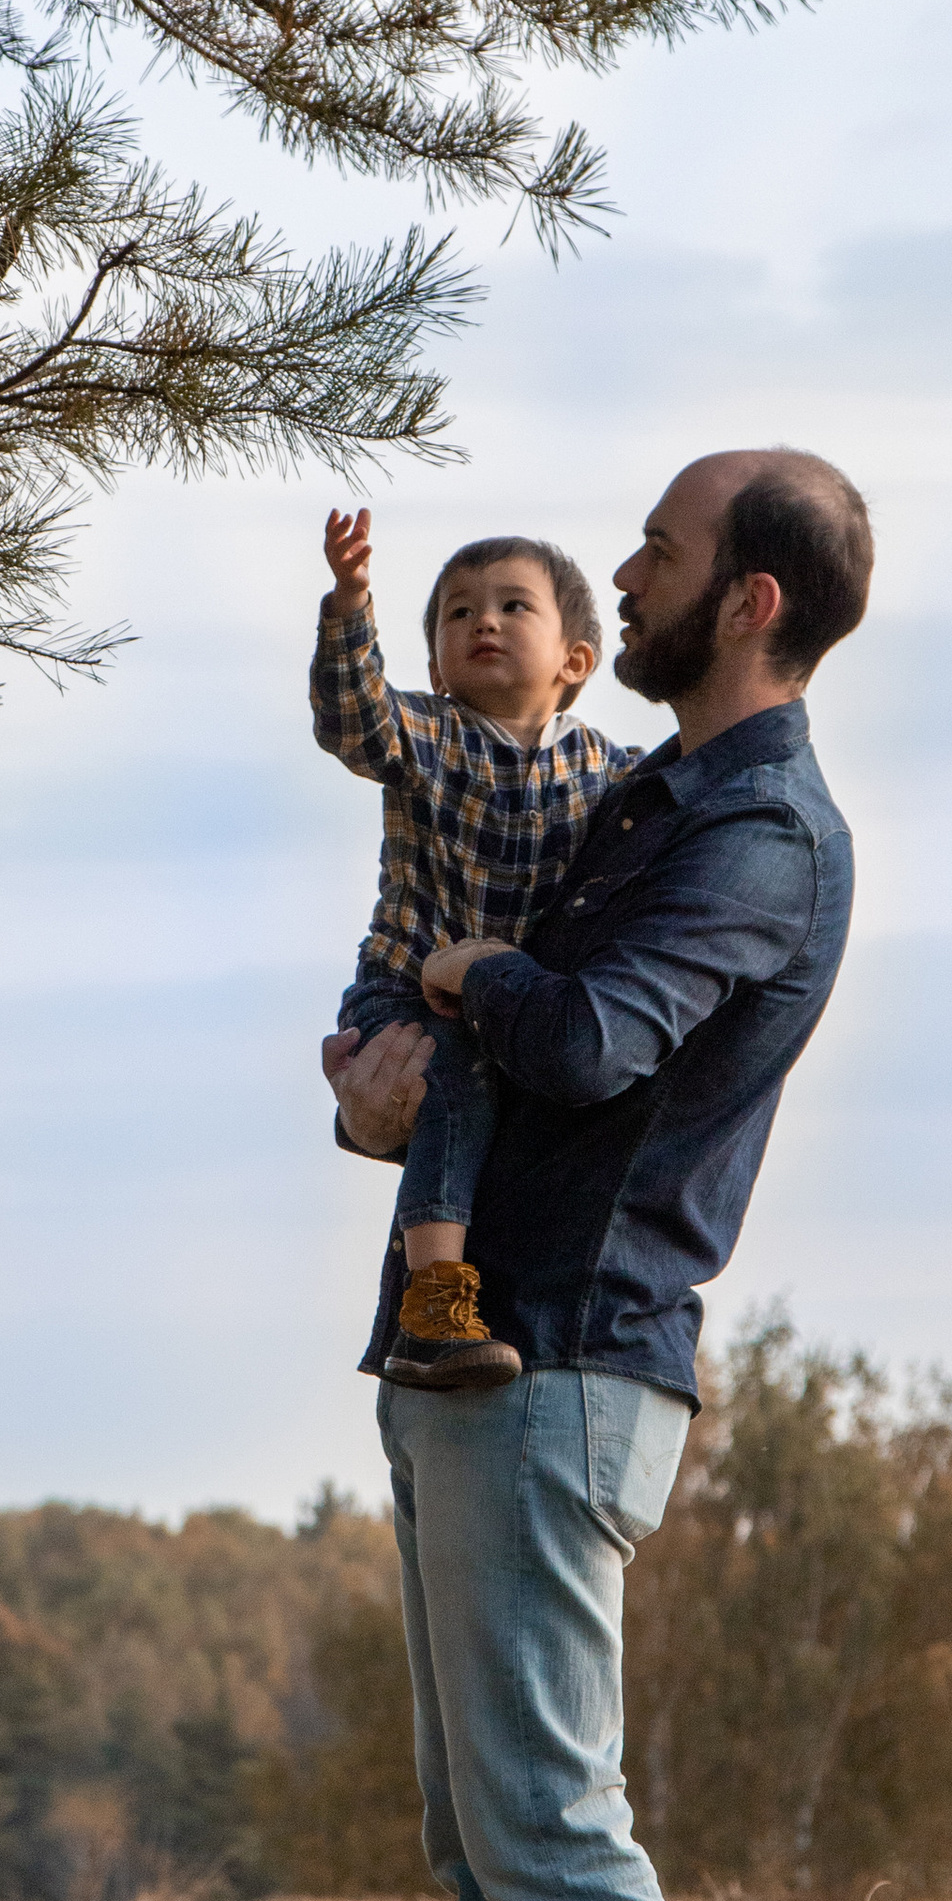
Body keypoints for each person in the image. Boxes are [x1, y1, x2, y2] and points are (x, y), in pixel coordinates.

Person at [316, 445, 870, 1901]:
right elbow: (464, 1030)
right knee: (487, 1841)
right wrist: (376, 1065)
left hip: (564, 1360)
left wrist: (460, 977)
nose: (622, 575)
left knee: (552, 1827)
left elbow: (590, 1032)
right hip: (475, 1351)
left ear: (752, 603)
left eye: (658, 552)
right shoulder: (644, 802)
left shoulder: (756, 838)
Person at [312, 509, 642, 1387]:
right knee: (451, 1077)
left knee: (495, 1084)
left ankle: (472, 1286)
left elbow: (674, 808)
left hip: (511, 1001)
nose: (481, 622)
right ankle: (435, 1300)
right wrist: (350, 603)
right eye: (457, 614)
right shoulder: (427, 737)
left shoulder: (609, 771)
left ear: (575, 660)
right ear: (432, 668)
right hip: (406, 993)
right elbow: (352, 716)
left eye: (510, 606)